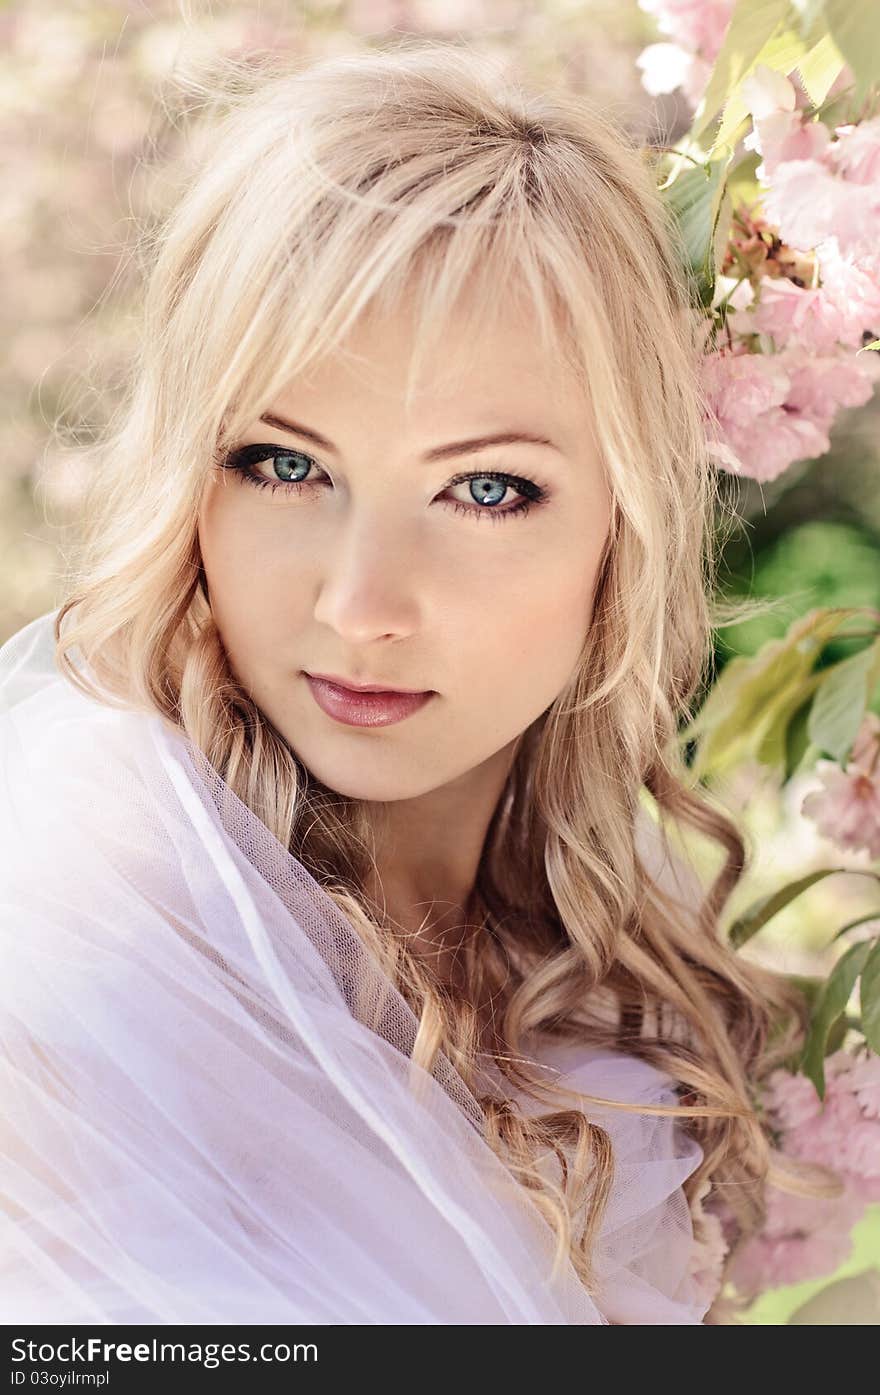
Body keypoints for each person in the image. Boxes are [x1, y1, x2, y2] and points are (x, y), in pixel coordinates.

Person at [0, 40, 815, 1325]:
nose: (359, 606)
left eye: (484, 489)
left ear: (629, 520)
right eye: (282, 464)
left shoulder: (609, 936)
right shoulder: (91, 929)